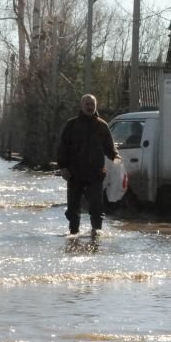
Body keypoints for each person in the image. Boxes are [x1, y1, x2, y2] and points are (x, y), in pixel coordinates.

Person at [57, 94, 119, 237]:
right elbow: (62, 148)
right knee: (73, 208)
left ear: (95, 106)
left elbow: (109, 147)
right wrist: (63, 167)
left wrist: (115, 156)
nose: (90, 107)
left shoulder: (102, 126)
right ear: (81, 106)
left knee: (96, 207)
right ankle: (73, 234)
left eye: (92, 104)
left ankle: (96, 233)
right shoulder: (71, 125)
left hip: (95, 174)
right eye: (87, 104)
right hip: (74, 173)